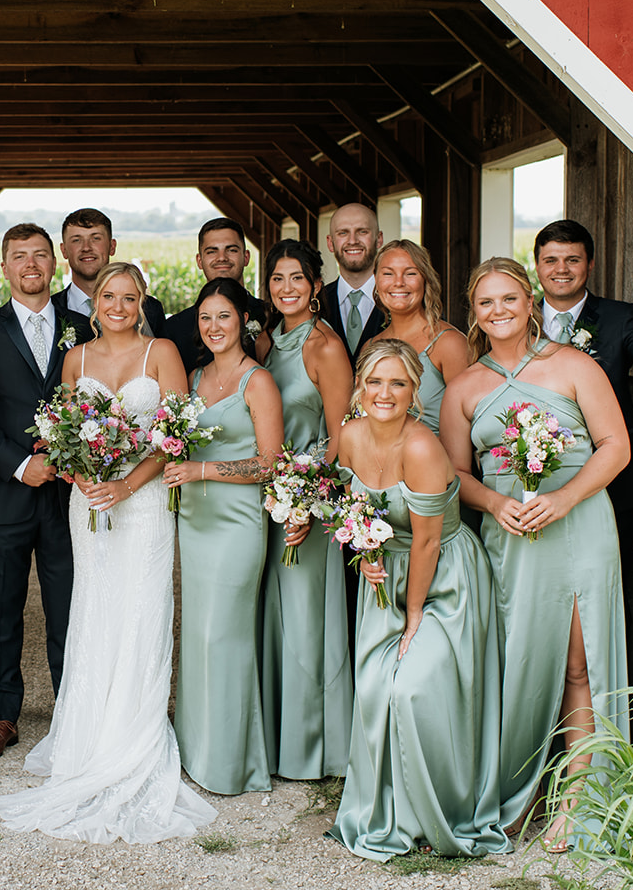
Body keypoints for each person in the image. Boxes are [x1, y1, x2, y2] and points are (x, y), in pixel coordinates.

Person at [0, 262, 215, 842]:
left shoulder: (161, 351)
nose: (118, 304)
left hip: (140, 505)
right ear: (95, 301)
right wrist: (81, 472)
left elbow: (175, 439)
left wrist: (125, 484)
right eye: (109, 295)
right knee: (94, 609)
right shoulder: (75, 359)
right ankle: (89, 734)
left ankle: (134, 734)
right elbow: (61, 432)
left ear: (143, 300)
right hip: (88, 502)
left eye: (129, 295)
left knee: (141, 611)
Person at [439, 257, 629, 850]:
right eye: (485, 303)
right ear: (474, 313)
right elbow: (454, 475)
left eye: (509, 299)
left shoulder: (572, 365)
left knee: (579, 662)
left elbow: (615, 445)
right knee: (518, 663)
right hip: (512, 533)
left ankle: (579, 800)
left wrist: (567, 499)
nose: (499, 312)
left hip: (578, 524)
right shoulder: (464, 388)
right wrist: (496, 506)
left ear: (530, 301)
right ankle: (515, 793)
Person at [327, 340, 508, 862]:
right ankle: (386, 808)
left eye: (398, 384)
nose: (385, 393)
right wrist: (362, 553)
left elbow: (428, 540)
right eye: (376, 382)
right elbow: (350, 507)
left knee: (410, 689)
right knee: (373, 687)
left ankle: (438, 809)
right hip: (385, 571)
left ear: (414, 394)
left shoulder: (423, 447)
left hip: (443, 580)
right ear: (361, 386)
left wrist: (413, 615)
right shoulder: (350, 434)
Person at [0, 224, 89, 762]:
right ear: (4, 267)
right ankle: (4, 714)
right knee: (1, 611)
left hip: (66, 496)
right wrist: (18, 464)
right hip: (4, 496)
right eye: (18, 256)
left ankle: (72, 711)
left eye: (38, 255)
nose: (29, 264)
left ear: (54, 263)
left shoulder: (83, 326)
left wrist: (65, 457)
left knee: (69, 608)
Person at [162, 276, 283, 796]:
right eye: (205, 318)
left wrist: (202, 473)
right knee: (197, 634)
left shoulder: (257, 381)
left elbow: (271, 463)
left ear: (243, 321)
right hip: (195, 520)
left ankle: (231, 760)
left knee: (223, 634)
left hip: (236, 521)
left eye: (224, 317)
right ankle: (197, 748)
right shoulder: (191, 378)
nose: (213, 327)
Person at [534, 220, 633, 692]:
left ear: (590, 264)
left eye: (572, 259)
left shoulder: (620, 318)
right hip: (530, 483)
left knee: (605, 593)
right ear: (536, 265)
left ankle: (613, 700)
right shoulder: (514, 316)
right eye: (551, 260)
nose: (561, 270)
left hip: (609, 482)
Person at [256, 238, 355, 780]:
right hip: (271, 499)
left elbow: (342, 434)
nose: (287, 288)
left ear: (316, 286)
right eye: (277, 279)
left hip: (307, 506)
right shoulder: (272, 341)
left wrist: (311, 503)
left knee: (306, 620)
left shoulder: (324, 347)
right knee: (277, 616)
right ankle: (277, 739)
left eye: (297, 278)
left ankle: (314, 748)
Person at [368, 241, 466, 436]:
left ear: (425, 279)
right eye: (388, 273)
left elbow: (466, 425)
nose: (398, 282)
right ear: (376, 281)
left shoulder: (448, 344)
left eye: (410, 273)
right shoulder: (369, 348)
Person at [162, 216, 265, 371]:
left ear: (246, 257)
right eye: (212, 251)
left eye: (231, 250)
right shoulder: (175, 329)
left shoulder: (271, 317)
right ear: (199, 261)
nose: (222, 258)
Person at [51, 207, 167, 338]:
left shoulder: (150, 308)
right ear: (63, 250)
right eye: (76, 240)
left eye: (95, 238)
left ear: (112, 246)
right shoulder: (49, 309)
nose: (86, 247)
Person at [318, 203, 387, 368]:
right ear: (330, 242)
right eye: (343, 233)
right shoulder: (315, 303)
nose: (353, 241)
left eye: (362, 232)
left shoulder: (401, 300)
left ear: (379, 239)